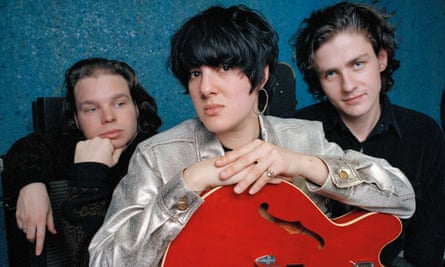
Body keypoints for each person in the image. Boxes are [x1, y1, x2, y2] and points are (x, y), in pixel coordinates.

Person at [88, 5, 415, 266]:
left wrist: (302, 164)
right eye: (195, 73)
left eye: (224, 68)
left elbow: (402, 197)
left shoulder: (304, 137)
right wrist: (186, 184)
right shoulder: (157, 156)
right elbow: (103, 261)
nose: (206, 88)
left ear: (261, 76)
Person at [289, 2, 445, 266]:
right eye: (331, 74)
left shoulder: (423, 133)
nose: (348, 85)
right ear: (318, 78)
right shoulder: (293, 130)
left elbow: (428, 242)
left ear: (381, 59)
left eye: (358, 64)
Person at [2, 57, 162, 266]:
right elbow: (27, 148)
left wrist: (90, 171)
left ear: (137, 108)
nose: (108, 117)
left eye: (119, 103)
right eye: (91, 109)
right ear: (76, 119)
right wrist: (30, 184)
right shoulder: (72, 146)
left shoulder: (159, 156)